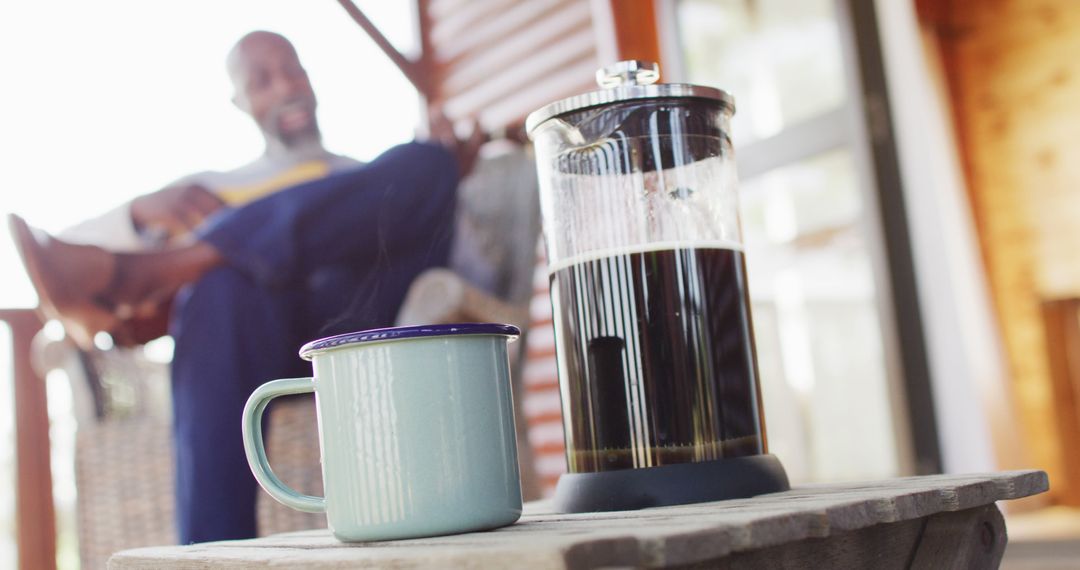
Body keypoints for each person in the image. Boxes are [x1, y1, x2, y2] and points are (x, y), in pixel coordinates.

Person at [9, 30, 483, 544]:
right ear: (240, 102)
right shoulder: (212, 188)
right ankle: (211, 551)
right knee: (218, 289)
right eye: (262, 81)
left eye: (294, 71)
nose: (285, 87)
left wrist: (460, 177)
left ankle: (174, 265)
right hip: (257, 339)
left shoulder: (365, 176)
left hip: (360, 319)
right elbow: (65, 269)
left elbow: (474, 273)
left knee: (428, 161)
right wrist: (139, 212)